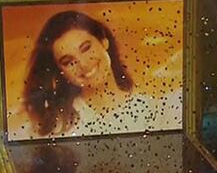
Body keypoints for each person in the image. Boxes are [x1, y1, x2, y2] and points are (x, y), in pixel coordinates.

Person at [22, 10, 179, 139]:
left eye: (86, 48)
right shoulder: (55, 127)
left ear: (104, 42)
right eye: (68, 61)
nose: (83, 64)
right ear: (61, 72)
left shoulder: (153, 112)